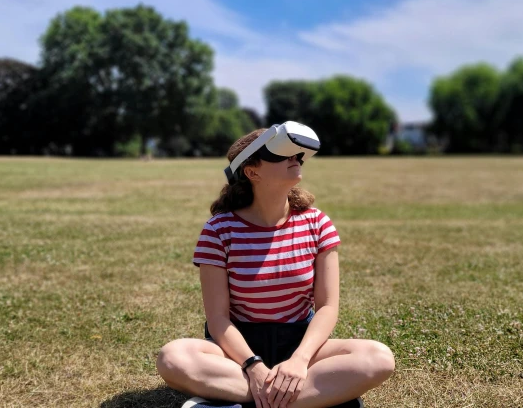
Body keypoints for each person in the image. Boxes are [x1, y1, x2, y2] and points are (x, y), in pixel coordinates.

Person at [156, 124, 395, 408]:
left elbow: (328, 307)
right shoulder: (219, 230)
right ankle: (304, 398)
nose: (294, 159)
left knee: (378, 358)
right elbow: (218, 319)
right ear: (252, 172)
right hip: (237, 351)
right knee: (172, 357)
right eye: (281, 155)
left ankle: (241, 399)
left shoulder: (317, 223)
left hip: (299, 342)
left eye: (297, 155)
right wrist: (253, 366)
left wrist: (299, 360)